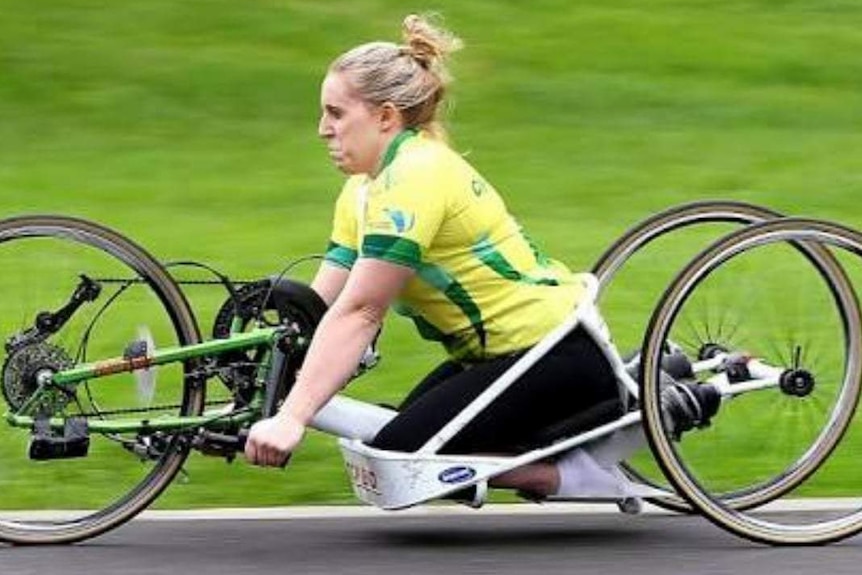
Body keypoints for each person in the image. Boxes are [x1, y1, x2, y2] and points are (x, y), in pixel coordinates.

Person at [244, 14, 659, 500]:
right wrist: (266, 365)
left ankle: (578, 475)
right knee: (391, 436)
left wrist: (293, 416)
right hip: (494, 357)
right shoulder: (362, 191)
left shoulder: (413, 180)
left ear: (385, 116)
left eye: (336, 114)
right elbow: (320, 308)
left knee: (405, 462)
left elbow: (361, 311)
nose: (322, 130)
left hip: (553, 354)